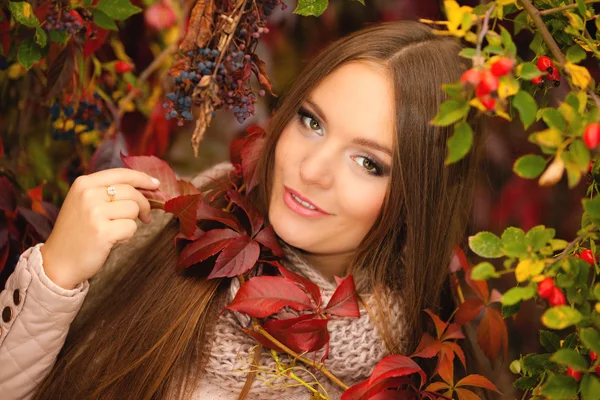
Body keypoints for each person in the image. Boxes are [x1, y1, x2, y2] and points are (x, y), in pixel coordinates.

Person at [0, 20, 485, 399]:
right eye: (312, 121)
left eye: (368, 162)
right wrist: (55, 279)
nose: (311, 168)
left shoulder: (393, 379)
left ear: (418, 200)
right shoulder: (195, 213)